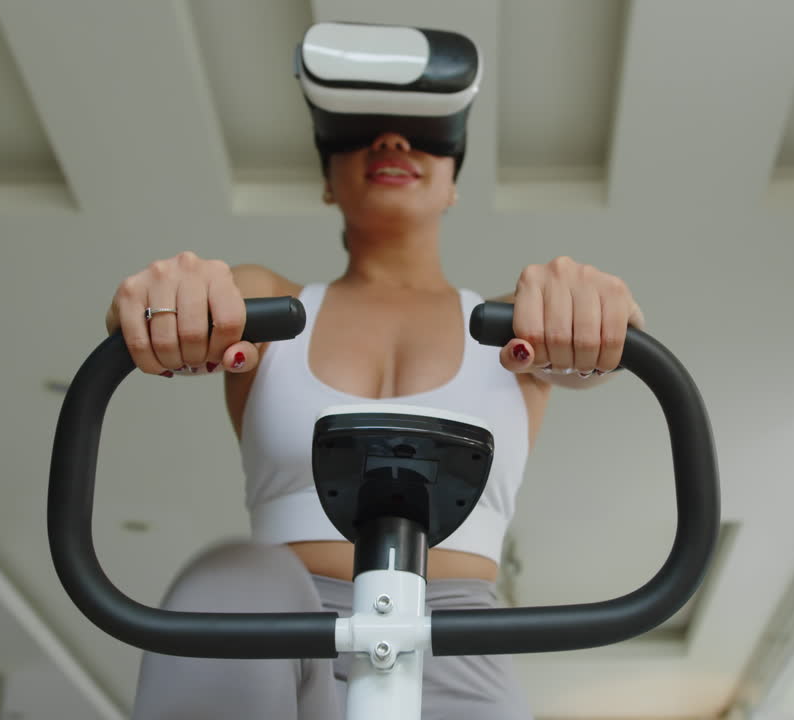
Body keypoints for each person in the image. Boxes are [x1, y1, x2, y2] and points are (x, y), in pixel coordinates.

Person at [106, 96, 644, 720]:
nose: (392, 141)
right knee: (228, 579)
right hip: (279, 636)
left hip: (457, 648)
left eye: (424, 133)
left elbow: (599, 352)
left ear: (454, 183)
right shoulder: (267, 301)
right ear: (328, 182)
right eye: (360, 131)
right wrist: (164, 301)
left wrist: (599, 310)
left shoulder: (517, 325)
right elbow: (175, 309)